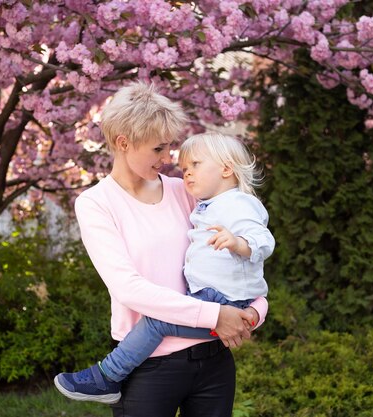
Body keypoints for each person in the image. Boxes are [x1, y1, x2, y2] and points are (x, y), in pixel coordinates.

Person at [53, 82, 270, 417]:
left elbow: (239, 255)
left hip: (212, 359)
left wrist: (256, 309)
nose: (169, 160)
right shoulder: (97, 203)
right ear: (124, 143)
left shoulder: (185, 191)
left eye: (169, 147)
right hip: (148, 367)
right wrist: (215, 316)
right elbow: (129, 289)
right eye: (158, 149)